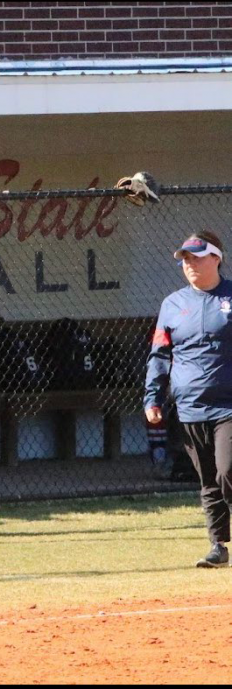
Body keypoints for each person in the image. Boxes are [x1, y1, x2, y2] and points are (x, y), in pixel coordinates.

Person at [145, 231, 232, 568]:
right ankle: (219, 546)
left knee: (228, 470)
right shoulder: (173, 304)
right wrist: (152, 397)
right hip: (190, 407)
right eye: (185, 259)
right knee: (208, 478)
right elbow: (159, 355)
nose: (190, 264)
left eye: (197, 257)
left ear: (216, 258)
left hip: (228, 405)